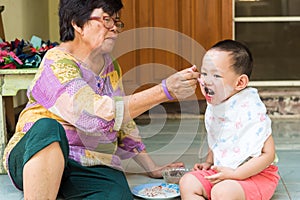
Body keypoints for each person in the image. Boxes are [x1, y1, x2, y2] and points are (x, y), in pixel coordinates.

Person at [2, 0, 200, 199]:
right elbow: (91, 115)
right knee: (49, 128)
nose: (114, 28)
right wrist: (164, 91)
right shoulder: (57, 62)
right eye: (106, 20)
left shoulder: (109, 65)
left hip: (85, 161)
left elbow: (122, 121)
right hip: (34, 155)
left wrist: (152, 167)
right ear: (77, 24)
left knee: (119, 194)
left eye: (116, 21)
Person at [179, 40, 280, 200]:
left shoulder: (249, 110)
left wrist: (237, 173)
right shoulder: (217, 104)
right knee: (187, 182)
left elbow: (268, 154)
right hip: (223, 170)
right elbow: (219, 137)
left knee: (222, 192)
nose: (207, 81)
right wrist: (209, 162)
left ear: (240, 82)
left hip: (256, 175)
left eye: (216, 75)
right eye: (204, 73)